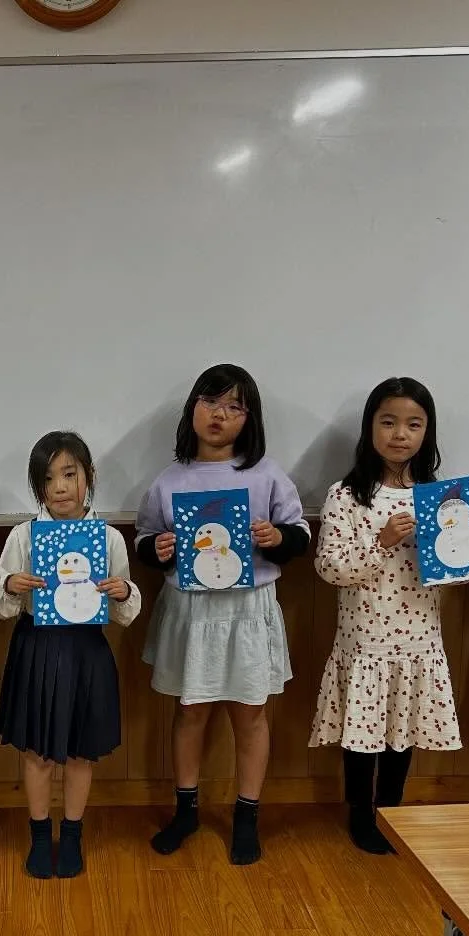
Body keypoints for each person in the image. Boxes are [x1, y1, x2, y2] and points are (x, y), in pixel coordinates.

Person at [310, 378, 469, 852]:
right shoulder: (347, 494)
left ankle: (391, 812)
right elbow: (330, 568)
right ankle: (361, 814)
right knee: (362, 733)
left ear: (427, 432)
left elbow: (452, 577)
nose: (400, 434)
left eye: (414, 424)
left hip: (419, 636)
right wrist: (381, 542)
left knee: (404, 727)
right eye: (389, 422)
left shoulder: (441, 498)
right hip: (365, 639)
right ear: (370, 427)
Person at [135, 364, 310, 865]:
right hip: (191, 611)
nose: (220, 414)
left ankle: (246, 815)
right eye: (211, 402)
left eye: (235, 407)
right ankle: (186, 810)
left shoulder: (267, 474)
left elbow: (299, 532)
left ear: (249, 420)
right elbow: (145, 537)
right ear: (193, 409)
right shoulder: (170, 479)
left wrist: (277, 538)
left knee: (250, 714)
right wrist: (157, 548)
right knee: (189, 711)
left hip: (248, 609)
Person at [0, 431, 140, 878]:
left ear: (88, 476)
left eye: (69, 474)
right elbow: (2, 608)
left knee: (80, 753)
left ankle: (72, 835)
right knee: (37, 753)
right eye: (47, 478)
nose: (59, 487)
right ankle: (40, 837)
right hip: (36, 646)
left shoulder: (108, 537)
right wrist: (11, 586)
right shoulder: (24, 535)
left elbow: (125, 614)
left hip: (86, 649)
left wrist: (123, 591)